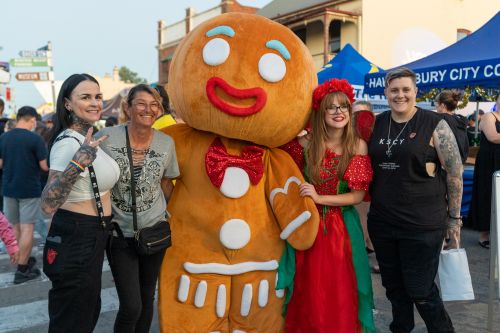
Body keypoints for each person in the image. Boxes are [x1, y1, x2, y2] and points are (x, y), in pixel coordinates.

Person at [368, 67, 462, 333]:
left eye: (406, 90)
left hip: (422, 224)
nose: (400, 95)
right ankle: (401, 327)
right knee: (394, 288)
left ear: (415, 92)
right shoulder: (377, 122)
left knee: (420, 289)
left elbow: (454, 172)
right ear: (386, 92)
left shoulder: (434, 123)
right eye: (394, 90)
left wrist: (454, 219)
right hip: (383, 222)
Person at [282, 79, 375, 332]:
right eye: (331, 107)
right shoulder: (305, 143)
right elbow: (277, 160)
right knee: (309, 288)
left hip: (341, 229)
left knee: (340, 289)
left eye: (343, 107)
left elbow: (357, 197)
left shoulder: (357, 145)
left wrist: (319, 197)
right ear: (320, 112)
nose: (338, 112)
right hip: (309, 226)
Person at [97, 84, 179, 333]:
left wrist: (173, 216)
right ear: (128, 108)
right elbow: (98, 184)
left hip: (154, 231)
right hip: (119, 234)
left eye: (154, 105)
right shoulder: (108, 139)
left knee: (146, 298)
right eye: (141, 103)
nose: (148, 109)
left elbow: (167, 182)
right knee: (131, 305)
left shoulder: (166, 143)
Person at [41, 73, 120, 333]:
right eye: (85, 97)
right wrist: (78, 162)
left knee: (84, 313)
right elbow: (48, 204)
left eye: (98, 96)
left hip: (91, 235)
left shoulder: (84, 137)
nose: (95, 102)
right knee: (73, 319)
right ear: (67, 104)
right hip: (77, 237)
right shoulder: (68, 144)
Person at [0, 106, 48, 284]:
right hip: (29, 188)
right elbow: (45, 166)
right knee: (28, 228)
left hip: (8, 188)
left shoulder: (4, 137)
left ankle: (23, 261)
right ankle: (22, 269)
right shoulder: (35, 139)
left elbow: (0, 163)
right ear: (32, 120)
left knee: (14, 227)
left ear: (18, 117)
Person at [466, 93, 500, 249]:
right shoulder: (489, 116)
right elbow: (493, 137)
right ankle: (484, 234)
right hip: (489, 161)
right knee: (487, 194)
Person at [435, 90, 469, 163]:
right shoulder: (460, 120)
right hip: (460, 162)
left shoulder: (439, 119)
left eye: (437, 104)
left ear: (443, 105)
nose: (436, 106)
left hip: (444, 164)